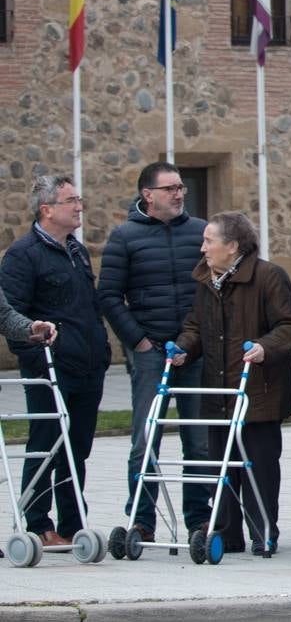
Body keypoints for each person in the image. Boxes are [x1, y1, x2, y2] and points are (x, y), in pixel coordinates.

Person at [172, 211, 291, 555]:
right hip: (219, 392)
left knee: (259, 467)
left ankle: (264, 532)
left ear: (232, 246)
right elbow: (195, 327)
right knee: (222, 466)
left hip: (258, 392)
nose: (202, 248)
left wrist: (265, 347)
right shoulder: (206, 280)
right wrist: (183, 349)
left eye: (208, 241)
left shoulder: (268, 276)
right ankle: (227, 534)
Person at [97, 162, 210, 543]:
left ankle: (199, 519)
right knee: (146, 439)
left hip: (193, 353)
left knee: (198, 439)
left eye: (181, 187)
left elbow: (214, 290)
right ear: (148, 194)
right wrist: (140, 342)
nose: (179, 194)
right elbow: (109, 296)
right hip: (149, 352)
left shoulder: (200, 233)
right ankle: (142, 520)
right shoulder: (124, 237)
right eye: (171, 188)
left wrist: (195, 341)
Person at [0, 175, 111, 549]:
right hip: (49, 370)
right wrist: (37, 361)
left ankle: (72, 523)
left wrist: (100, 350)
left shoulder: (76, 251)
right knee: (45, 445)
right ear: (47, 209)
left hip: (87, 367)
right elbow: (11, 315)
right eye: (70, 200)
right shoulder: (23, 254)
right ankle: (37, 524)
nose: (79, 206)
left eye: (78, 198)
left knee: (76, 449)